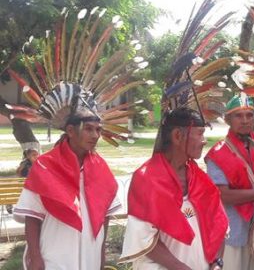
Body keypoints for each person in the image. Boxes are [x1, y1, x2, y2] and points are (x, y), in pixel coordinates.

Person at [14, 95, 121, 270]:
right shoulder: (45, 166)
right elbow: (32, 217)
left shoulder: (101, 167)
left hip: (90, 254)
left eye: (98, 130)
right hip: (54, 255)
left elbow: (105, 216)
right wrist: (35, 257)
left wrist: (101, 254)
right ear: (70, 131)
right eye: (88, 129)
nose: (95, 135)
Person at [120, 108, 229, 269]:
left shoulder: (200, 179)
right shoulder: (147, 179)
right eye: (200, 134)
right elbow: (144, 239)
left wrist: (217, 263)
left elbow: (219, 226)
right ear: (178, 136)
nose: (204, 141)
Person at [204, 95, 254, 270]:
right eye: (238, 115)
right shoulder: (218, 153)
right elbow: (223, 196)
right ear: (228, 120)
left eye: (249, 115)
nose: (245, 120)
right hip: (234, 231)